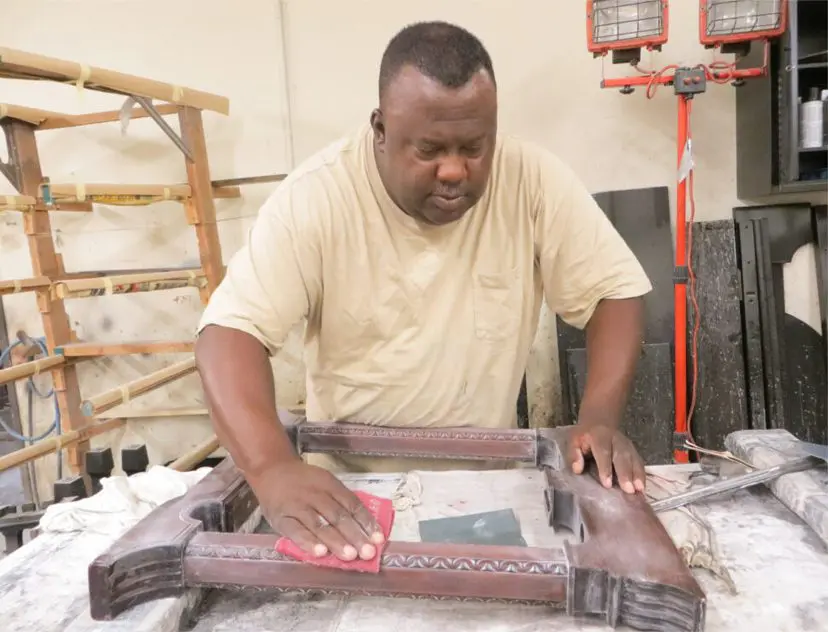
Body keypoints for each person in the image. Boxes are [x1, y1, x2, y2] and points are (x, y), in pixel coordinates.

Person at [195, 21, 652, 565]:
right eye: (430, 149)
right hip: (350, 494)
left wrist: (598, 416)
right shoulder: (317, 199)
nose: (455, 169)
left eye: (474, 147)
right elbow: (229, 332)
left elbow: (613, 292)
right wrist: (271, 468)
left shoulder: (530, 180)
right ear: (381, 130)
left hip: (489, 485)